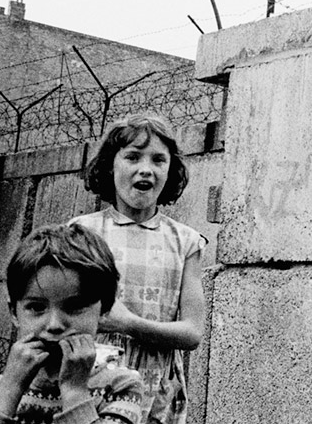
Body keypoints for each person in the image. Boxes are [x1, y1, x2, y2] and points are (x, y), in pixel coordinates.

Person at [70, 114, 205, 424]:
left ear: (170, 170)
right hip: (90, 382)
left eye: (158, 159)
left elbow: (192, 333)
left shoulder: (186, 242)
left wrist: (129, 323)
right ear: (110, 165)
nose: (146, 168)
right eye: (132, 157)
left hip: (154, 391)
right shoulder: (82, 233)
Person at [0, 223, 144, 423]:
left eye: (74, 306)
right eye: (36, 307)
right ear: (14, 312)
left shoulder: (121, 387)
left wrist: (75, 392)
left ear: (104, 309)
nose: (54, 325)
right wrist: (10, 389)